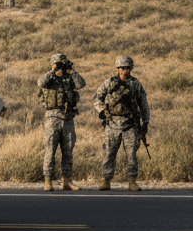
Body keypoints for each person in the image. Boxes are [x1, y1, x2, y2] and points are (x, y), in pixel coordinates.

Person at [93, 56, 150, 191]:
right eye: (122, 68)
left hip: (130, 124)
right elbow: (97, 98)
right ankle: (106, 180)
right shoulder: (109, 82)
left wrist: (145, 121)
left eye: (127, 68)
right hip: (112, 124)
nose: (124, 70)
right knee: (109, 153)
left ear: (131, 69)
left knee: (131, 155)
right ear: (118, 68)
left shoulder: (135, 84)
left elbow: (143, 104)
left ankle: (132, 181)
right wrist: (102, 111)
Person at [37, 53, 85, 191]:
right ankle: (48, 181)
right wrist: (52, 71)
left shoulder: (69, 78)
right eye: (57, 64)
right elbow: (40, 83)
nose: (60, 67)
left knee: (68, 151)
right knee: (50, 150)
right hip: (52, 118)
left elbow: (81, 84)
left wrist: (72, 71)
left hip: (68, 118)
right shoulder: (49, 79)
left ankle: (67, 181)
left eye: (61, 64)